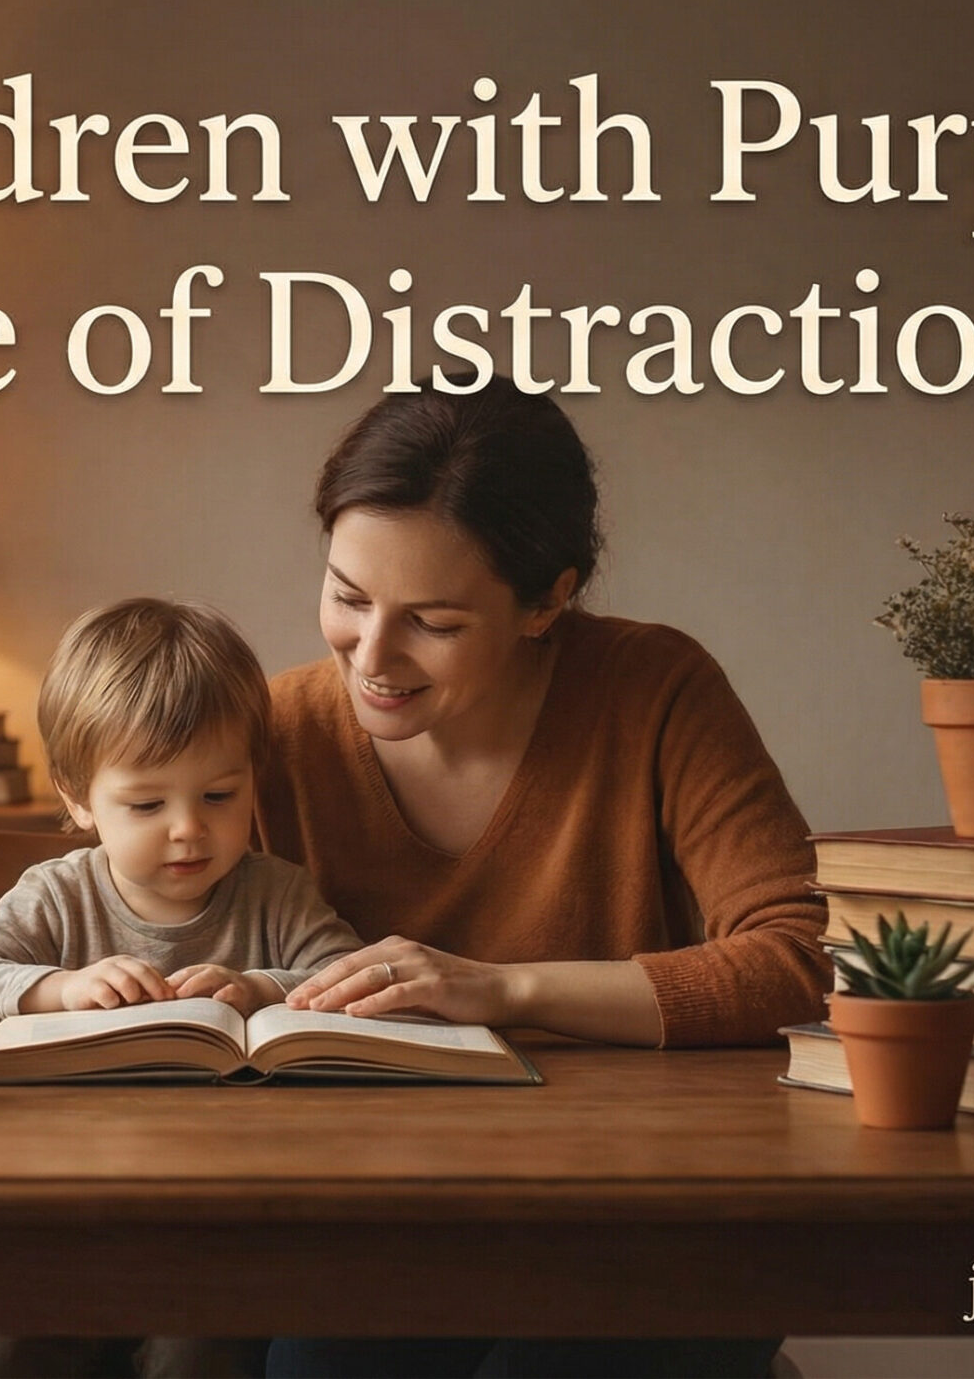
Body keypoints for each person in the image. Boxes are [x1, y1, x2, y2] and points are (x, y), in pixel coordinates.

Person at [257, 381, 827, 1379]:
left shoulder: (653, 690)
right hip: (369, 1215)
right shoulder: (268, 734)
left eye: (432, 620)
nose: (370, 657)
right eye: (348, 597)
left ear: (548, 599)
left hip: (641, 1212)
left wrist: (503, 987)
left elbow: (798, 957)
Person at [0, 596, 365, 1379]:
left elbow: (345, 979)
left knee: (203, 1354)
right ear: (79, 795)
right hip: (58, 1222)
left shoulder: (278, 896)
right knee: (3, 1352)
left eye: (219, 796)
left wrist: (258, 985)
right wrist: (59, 988)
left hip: (223, 1232)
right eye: (148, 803)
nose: (189, 828)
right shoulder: (58, 896)